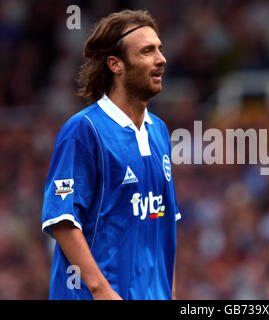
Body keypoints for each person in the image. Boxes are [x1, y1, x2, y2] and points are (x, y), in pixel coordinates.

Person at [41, 10, 181, 300]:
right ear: (115, 64)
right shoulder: (84, 129)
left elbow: (163, 222)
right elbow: (62, 221)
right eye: (147, 51)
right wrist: (101, 290)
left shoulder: (159, 132)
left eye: (159, 49)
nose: (161, 59)